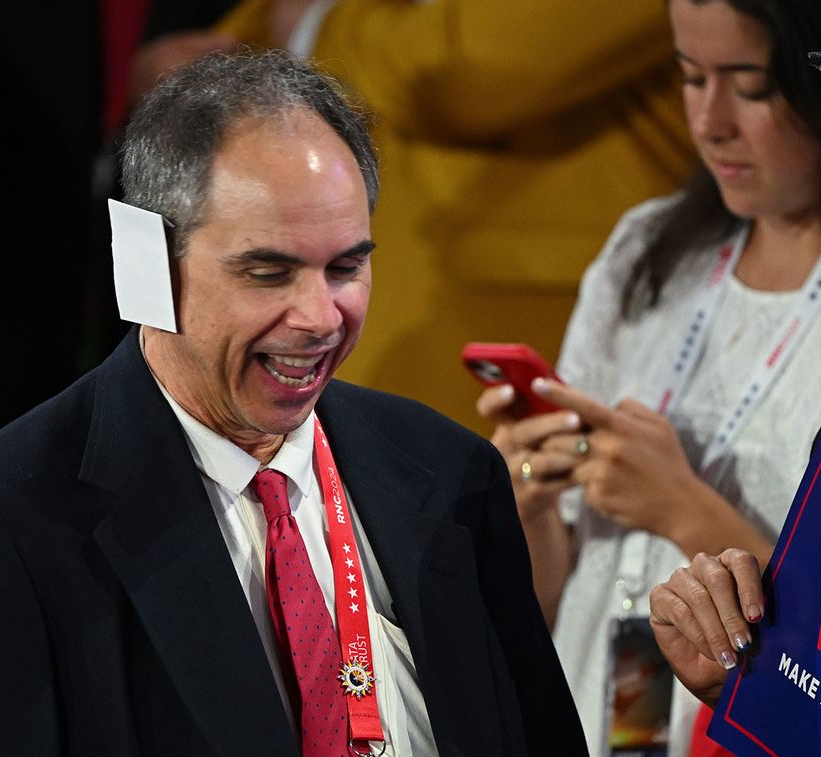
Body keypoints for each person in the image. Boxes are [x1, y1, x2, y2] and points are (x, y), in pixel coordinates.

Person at [0, 50, 595, 757]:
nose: (321, 318)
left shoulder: (450, 474)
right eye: (269, 273)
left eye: (346, 268)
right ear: (147, 264)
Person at [477, 0, 821, 757]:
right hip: (585, 744)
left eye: (749, 86)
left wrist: (682, 508)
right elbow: (544, 595)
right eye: (689, 77)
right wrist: (530, 502)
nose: (709, 122)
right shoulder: (647, 251)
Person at [198, 0, 696, 433]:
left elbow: (478, 64)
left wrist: (315, 33)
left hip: (525, 322)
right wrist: (220, 53)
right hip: (386, 308)